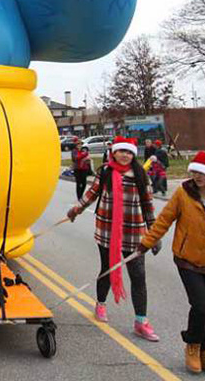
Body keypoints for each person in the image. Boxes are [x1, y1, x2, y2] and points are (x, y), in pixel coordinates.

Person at [67, 136, 159, 341]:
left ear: (133, 154)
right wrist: (76, 210)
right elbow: (91, 194)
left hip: (134, 232)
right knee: (107, 270)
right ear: (114, 152)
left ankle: (141, 321)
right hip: (107, 231)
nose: (125, 155)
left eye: (128, 152)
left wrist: (154, 234)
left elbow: (148, 205)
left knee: (138, 276)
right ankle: (100, 304)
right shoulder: (106, 172)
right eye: (121, 151)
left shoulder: (141, 175)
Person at [137, 151, 205, 373]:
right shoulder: (183, 193)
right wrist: (146, 243)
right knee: (201, 305)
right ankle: (193, 345)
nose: (198, 177)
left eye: (202, 173)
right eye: (195, 172)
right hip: (188, 260)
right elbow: (164, 219)